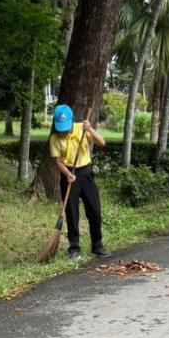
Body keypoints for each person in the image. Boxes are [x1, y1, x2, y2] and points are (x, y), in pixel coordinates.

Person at [49, 104, 110, 262]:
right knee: (72, 212)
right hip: (69, 175)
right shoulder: (55, 139)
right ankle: (74, 248)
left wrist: (90, 130)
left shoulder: (81, 128)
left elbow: (102, 142)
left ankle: (97, 245)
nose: (64, 131)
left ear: (71, 121)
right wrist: (68, 175)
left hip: (86, 173)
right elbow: (58, 161)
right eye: (60, 128)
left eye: (66, 127)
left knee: (94, 209)